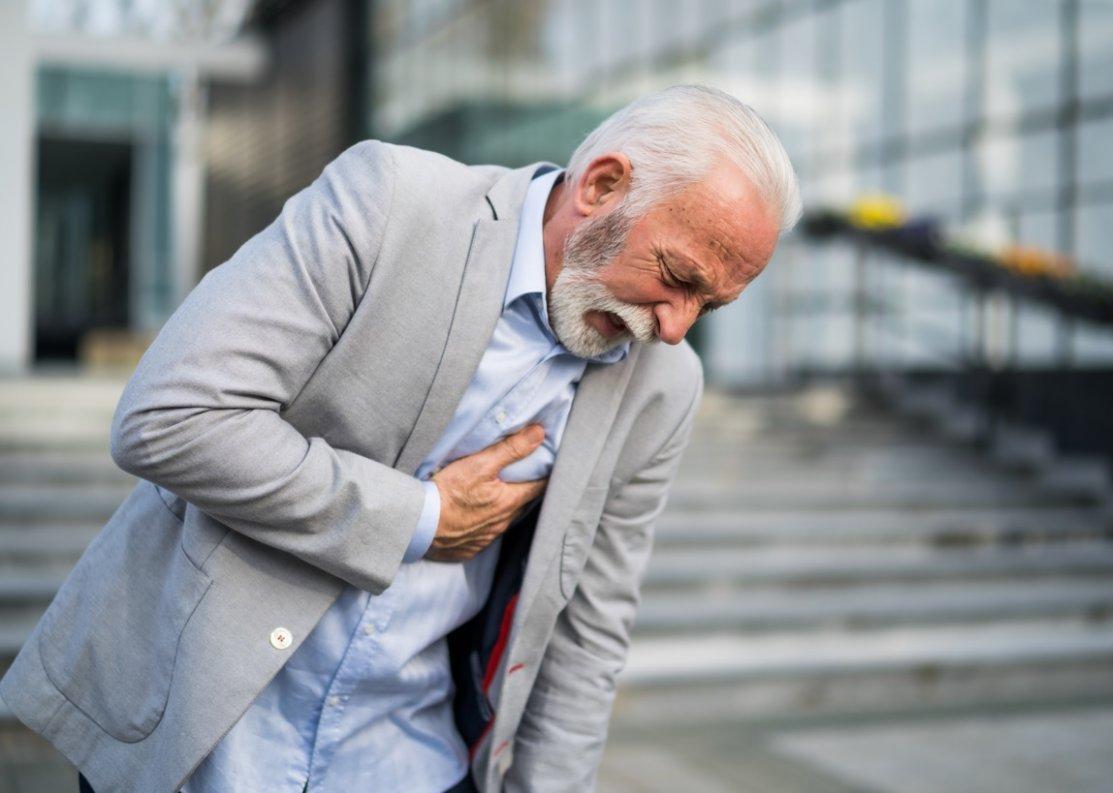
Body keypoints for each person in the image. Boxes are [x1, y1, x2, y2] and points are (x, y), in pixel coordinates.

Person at [0, 85, 801, 793]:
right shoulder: (389, 202)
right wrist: (420, 517)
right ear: (602, 185)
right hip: (202, 733)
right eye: (678, 277)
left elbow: (586, 634)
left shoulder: (665, 385)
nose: (675, 327)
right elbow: (169, 418)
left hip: (410, 758)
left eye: (710, 305)